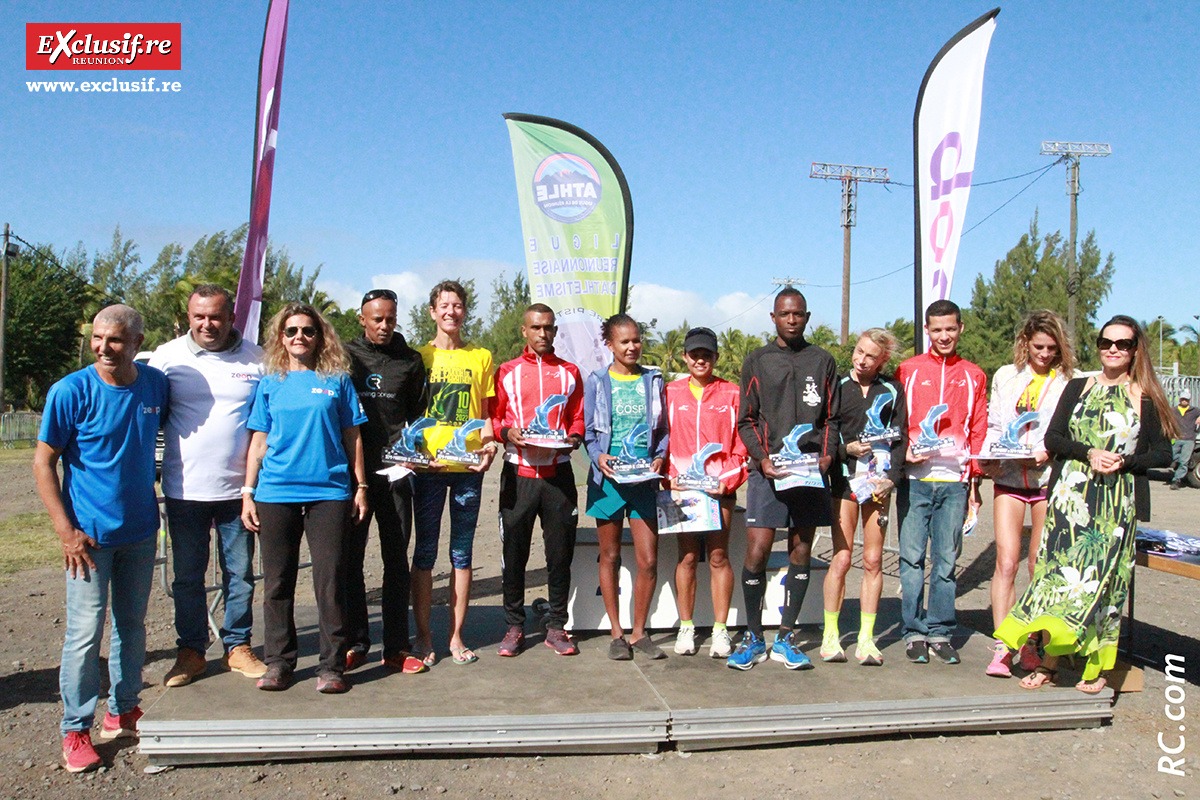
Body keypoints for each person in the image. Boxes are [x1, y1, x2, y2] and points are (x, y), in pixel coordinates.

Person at [998, 315, 1175, 693]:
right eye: (1105, 342)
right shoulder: (1078, 386)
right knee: (1055, 580)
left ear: (1134, 349)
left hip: (1114, 503)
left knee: (1105, 586)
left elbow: (1163, 453)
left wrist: (1124, 461)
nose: (1112, 349)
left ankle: (1096, 669)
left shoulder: (1145, 395)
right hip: (1070, 500)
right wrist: (1088, 451)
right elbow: (1054, 438)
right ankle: (1049, 663)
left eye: (1122, 344)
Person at [33, 305, 168, 773]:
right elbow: (42, 462)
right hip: (87, 539)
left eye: (114, 339)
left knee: (132, 626)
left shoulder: (154, 385)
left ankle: (123, 708)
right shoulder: (70, 391)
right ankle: (75, 728)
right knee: (84, 634)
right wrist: (64, 530)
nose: (103, 348)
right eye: (97, 338)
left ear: (136, 341)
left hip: (140, 531)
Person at [240, 303, 368, 694]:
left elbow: (353, 437)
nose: (300, 337)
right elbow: (259, 440)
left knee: (330, 581)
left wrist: (360, 487)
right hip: (275, 492)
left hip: (329, 491)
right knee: (278, 581)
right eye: (291, 330)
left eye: (308, 331)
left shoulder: (337, 380)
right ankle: (279, 663)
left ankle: (331, 665)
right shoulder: (270, 382)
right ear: (281, 336)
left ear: (320, 336)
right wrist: (248, 492)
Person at [148, 285, 268, 688]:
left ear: (231, 316)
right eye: (199, 316)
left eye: (215, 316)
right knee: (187, 576)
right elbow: (149, 417)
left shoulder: (257, 358)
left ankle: (237, 646)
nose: (207, 324)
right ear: (188, 316)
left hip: (240, 492)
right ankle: (191, 652)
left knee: (241, 574)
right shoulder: (167, 357)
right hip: (185, 490)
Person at [731, 288, 839, 671]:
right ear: (773, 318)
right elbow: (745, 419)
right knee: (757, 550)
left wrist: (826, 456)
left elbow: (831, 419)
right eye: (784, 314)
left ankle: (787, 637)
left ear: (807, 317)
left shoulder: (823, 360)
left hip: (809, 472)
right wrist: (761, 459)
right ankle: (753, 636)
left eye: (798, 314)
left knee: (800, 551)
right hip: (768, 472)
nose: (791, 320)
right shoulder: (757, 361)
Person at [979, 310, 1074, 678]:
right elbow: (996, 423)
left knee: (1039, 566)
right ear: (1025, 343)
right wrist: (988, 457)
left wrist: (1050, 450)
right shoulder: (1006, 375)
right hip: (1009, 479)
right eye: (1038, 347)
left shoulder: (1068, 381)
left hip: (1048, 481)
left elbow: (1067, 430)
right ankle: (1005, 644)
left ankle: (1033, 644)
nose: (1044, 354)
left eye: (1052, 348)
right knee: (1006, 562)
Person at [895, 299, 986, 666]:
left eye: (950, 329)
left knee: (946, 562)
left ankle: (941, 631)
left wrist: (975, 482)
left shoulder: (974, 375)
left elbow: (978, 427)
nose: (944, 336)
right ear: (927, 332)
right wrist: (903, 454)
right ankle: (913, 631)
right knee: (911, 559)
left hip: (954, 484)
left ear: (960, 329)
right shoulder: (908, 369)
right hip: (915, 481)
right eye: (937, 330)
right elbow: (895, 419)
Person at [411, 280, 498, 666]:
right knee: (426, 553)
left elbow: (487, 409)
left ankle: (456, 636)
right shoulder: (418, 358)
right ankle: (425, 636)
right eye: (444, 305)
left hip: (468, 469)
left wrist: (491, 444)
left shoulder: (480, 356)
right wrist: (412, 453)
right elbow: (409, 413)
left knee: (462, 554)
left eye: (458, 305)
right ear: (432, 311)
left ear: (465, 311)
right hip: (429, 468)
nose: (451, 312)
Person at [343, 288, 429, 674]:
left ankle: (396, 646)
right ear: (362, 319)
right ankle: (356, 641)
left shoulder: (409, 361)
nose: (383, 325)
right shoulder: (344, 357)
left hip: (394, 474)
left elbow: (416, 415)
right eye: (376, 319)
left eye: (390, 318)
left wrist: (411, 457)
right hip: (352, 476)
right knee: (350, 561)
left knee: (396, 561)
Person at [492, 304, 586, 657]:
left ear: (555, 331)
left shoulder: (570, 372)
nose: (542, 334)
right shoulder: (507, 372)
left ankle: (557, 627)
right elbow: (495, 416)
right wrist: (507, 431)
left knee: (560, 554)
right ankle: (514, 627)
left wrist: (573, 438)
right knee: (514, 552)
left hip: (558, 474)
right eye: (536, 328)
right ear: (524, 331)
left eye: (548, 328)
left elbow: (578, 418)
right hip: (518, 472)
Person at [584, 313, 669, 660]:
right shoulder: (597, 381)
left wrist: (660, 457)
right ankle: (617, 633)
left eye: (636, 340)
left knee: (648, 559)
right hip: (608, 483)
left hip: (644, 481)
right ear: (610, 345)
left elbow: (663, 429)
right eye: (624, 341)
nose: (632, 346)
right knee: (611, 554)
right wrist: (598, 456)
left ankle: (639, 632)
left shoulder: (653, 380)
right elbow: (589, 432)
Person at [822, 328, 907, 666]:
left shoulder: (892, 390)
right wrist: (845, 449)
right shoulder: (838, 387)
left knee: (873, 560)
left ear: (883, 360)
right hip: (844, 482)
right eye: (859, 351)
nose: (861, 359)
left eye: (871, 356)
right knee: (842, 558)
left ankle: (866, 639)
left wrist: (892, 479)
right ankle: (831, 636)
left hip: (877, 485)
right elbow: (825, 433)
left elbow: (900, 440)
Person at [664, 327, 747, 658]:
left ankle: (720, 630)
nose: (701, 360)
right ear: (684, 357)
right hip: (681, 489)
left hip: (720, 489)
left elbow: (740, 445)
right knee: (686, 556)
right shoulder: (669, 392)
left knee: (717, 556)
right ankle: (686, 626)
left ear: (716, 357)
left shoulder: (732, 394)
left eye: (707, 355)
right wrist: (668, 477)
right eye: (694, 354)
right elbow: (662, 440)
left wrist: (729, 479)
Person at [1169, 389, 1198, 489]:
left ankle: (1176, 480)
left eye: (1186, 399)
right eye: (1183, 399)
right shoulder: (1173, 410)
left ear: (1189, 400)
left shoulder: (1195, 411)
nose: (1184, 401)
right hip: (1176, 438)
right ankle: (1180, 464)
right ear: (1180, 399)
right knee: (1170, 457)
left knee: (1183, 461)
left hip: (1189, 439)